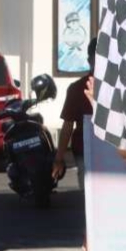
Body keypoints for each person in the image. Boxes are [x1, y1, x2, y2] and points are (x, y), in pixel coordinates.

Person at [52, 40, 94, 189]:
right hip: (86, 149)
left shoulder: (119, 87)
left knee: (89, 192)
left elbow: (67, 126)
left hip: (102, 150)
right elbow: (68, 125)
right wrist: (59, 158)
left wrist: (59, 158)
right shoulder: (76, 89)